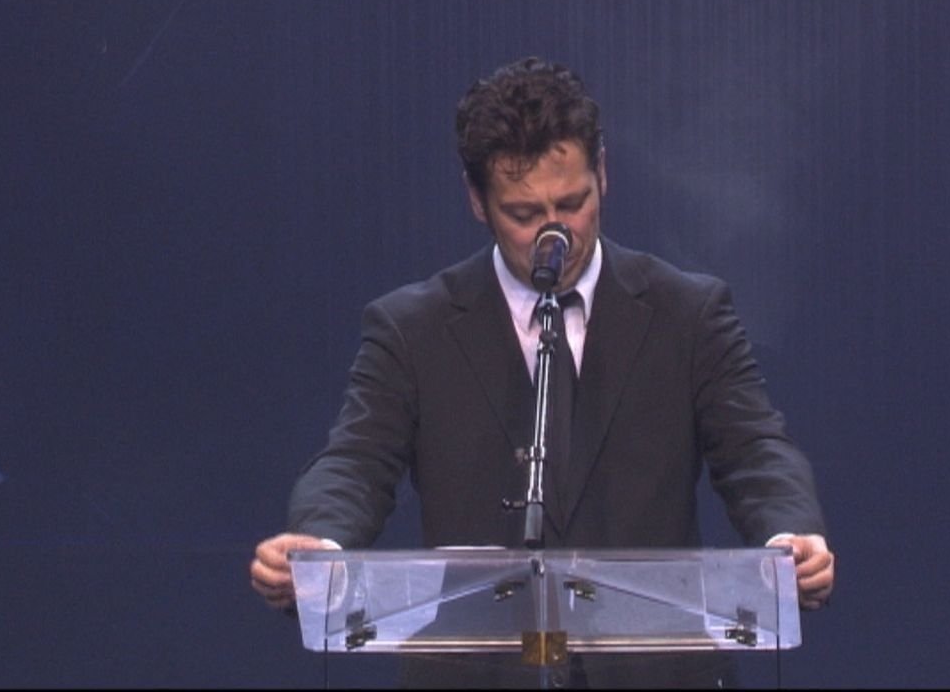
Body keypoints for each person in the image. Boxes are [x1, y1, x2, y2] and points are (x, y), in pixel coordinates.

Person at [250, 56, 834, 688]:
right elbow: (356, 463)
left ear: (603, 174)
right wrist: (322, 546)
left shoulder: (687, 313)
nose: (556, 232)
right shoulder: (412, 329)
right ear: (477, 202)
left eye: (572, 203)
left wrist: (789, 534)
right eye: (524, 214)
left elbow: (756, 451)